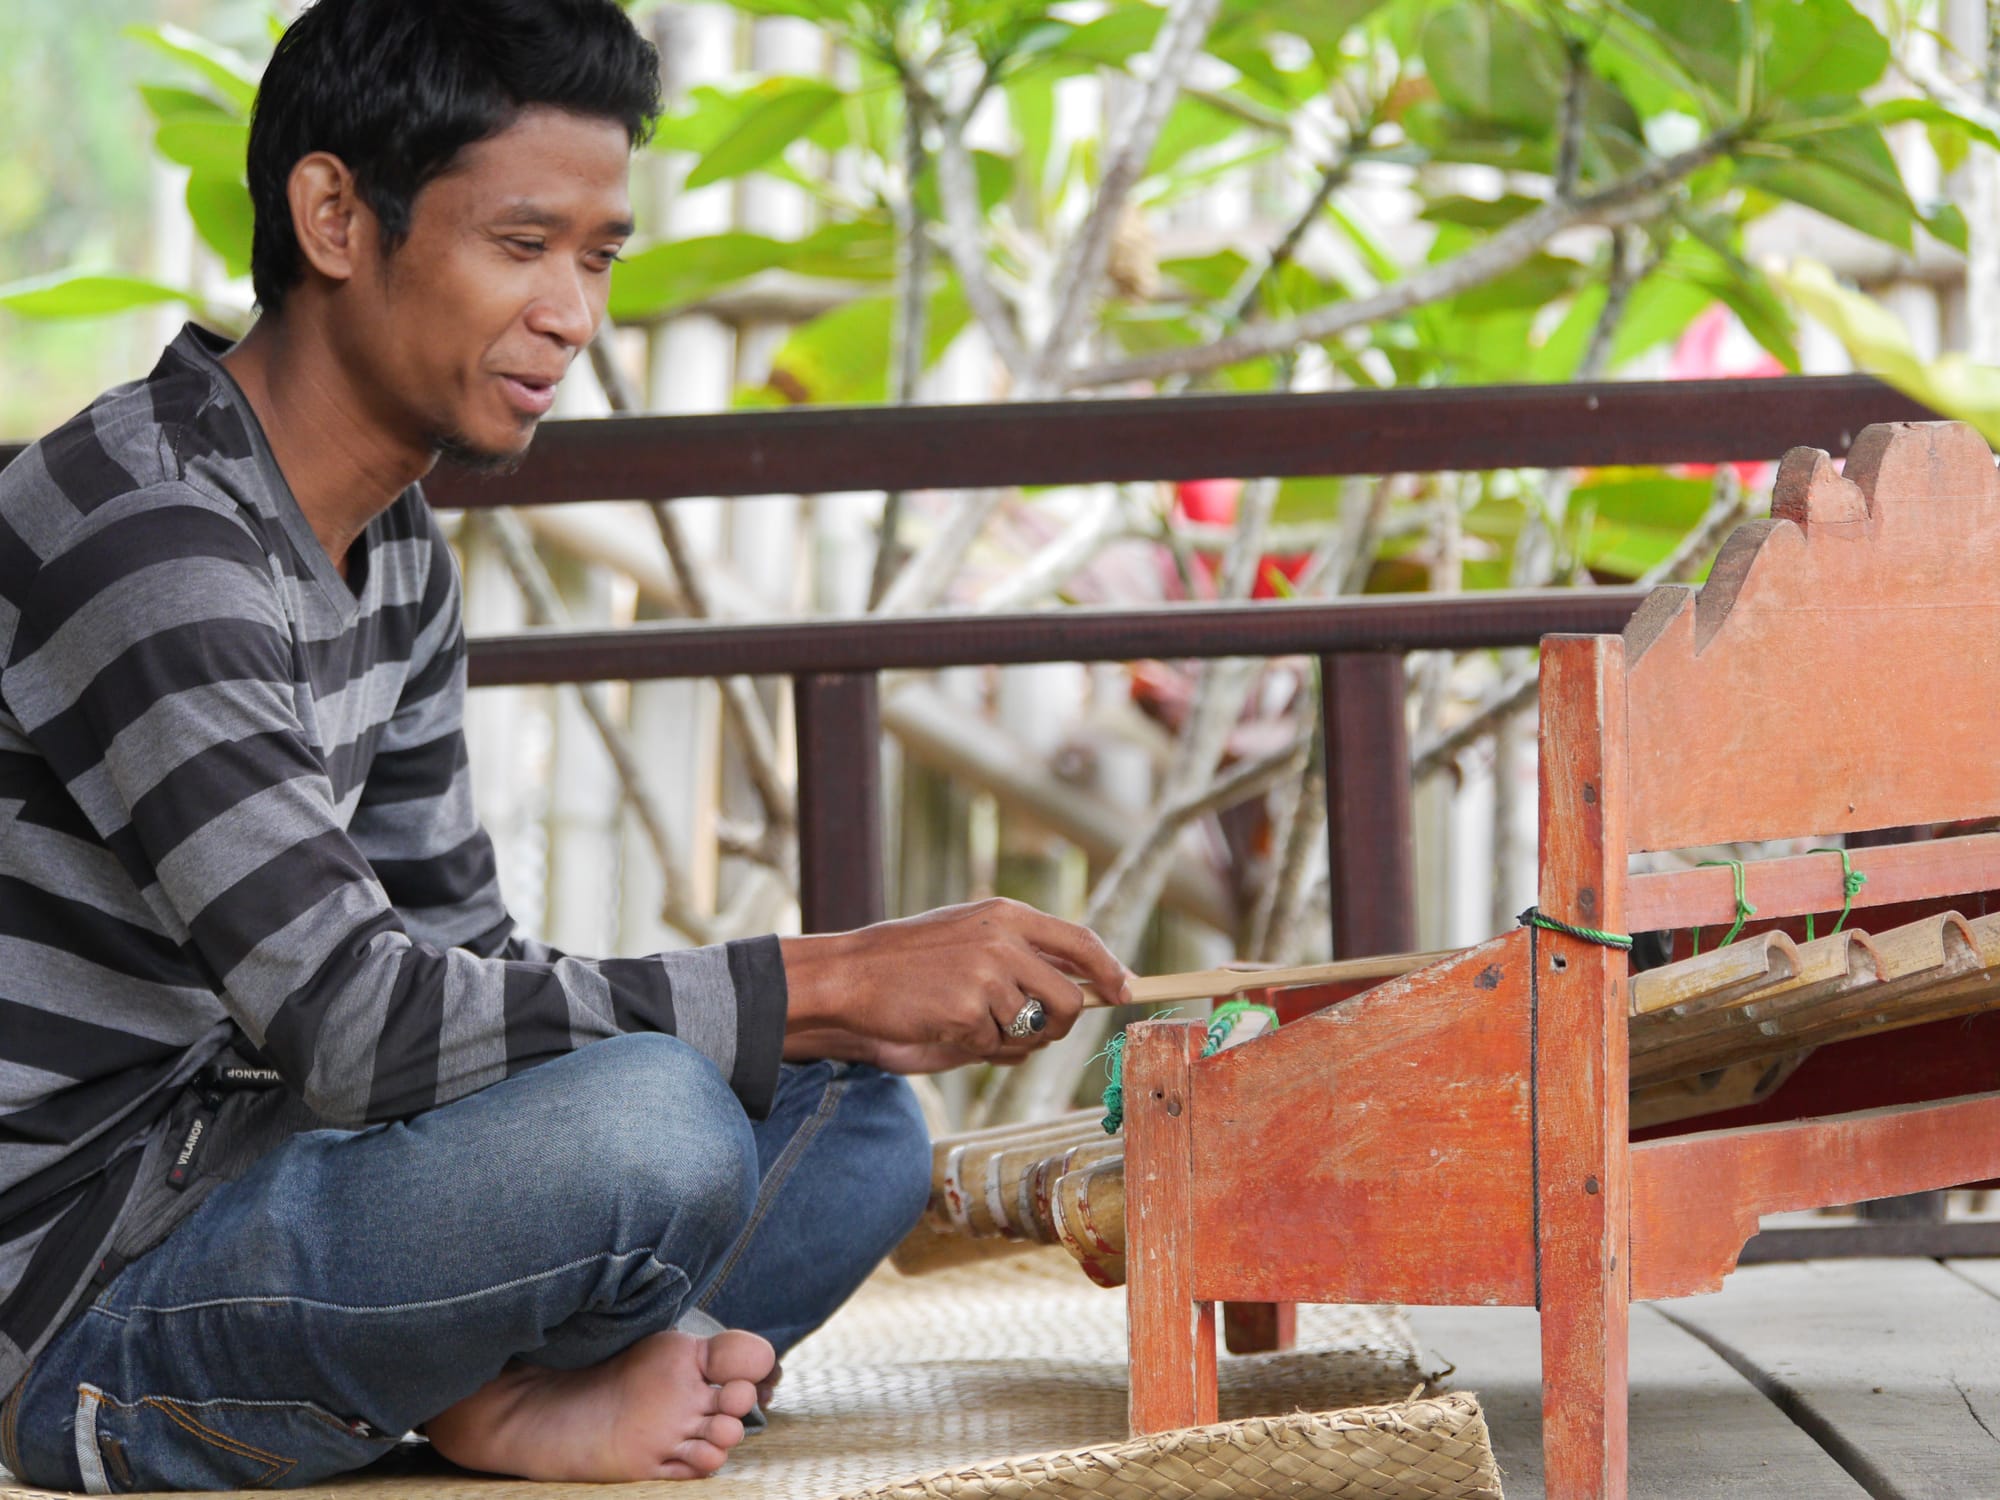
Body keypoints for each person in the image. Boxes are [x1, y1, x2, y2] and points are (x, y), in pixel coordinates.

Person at [0, 0, 1133, 1489]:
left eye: (598, 258)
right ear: (335, 214)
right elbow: (362, 1029)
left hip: (277, 1180)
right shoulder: (146, 533)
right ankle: (489, 1394)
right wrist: (834, 976)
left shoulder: (391, 548)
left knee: (854, 1121)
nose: (571, 317)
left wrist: (830, 1024)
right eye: (521, 246)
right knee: (658, 1127)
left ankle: (488, 1389)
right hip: (83, 1293)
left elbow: (460, 959)